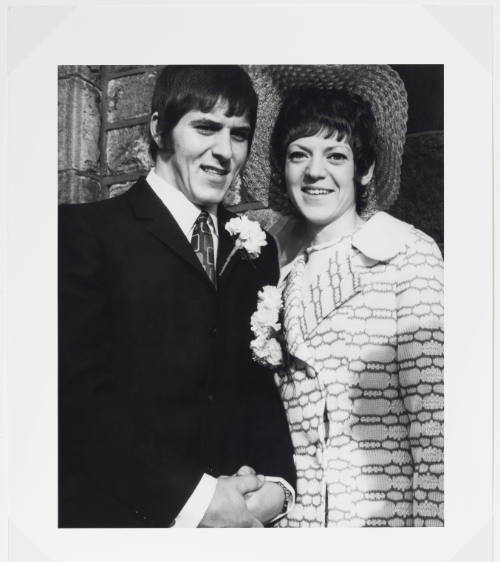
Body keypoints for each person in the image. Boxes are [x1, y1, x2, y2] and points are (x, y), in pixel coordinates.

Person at [58, 65, 296, 528]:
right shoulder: (82, 232)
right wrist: (199, 501)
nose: (225, 152)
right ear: (158, 128)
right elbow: (76, 400)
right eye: (205, 127)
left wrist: (278, 488)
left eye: (239, 134)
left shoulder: (257, 251)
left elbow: (259, 386)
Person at [247, 65, 444, 527]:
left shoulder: (406, 255)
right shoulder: (269, 267)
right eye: (300, 154)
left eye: (336, 156)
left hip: (381, 528)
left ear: (366, 169)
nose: (315, 171)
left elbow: (437, 428)